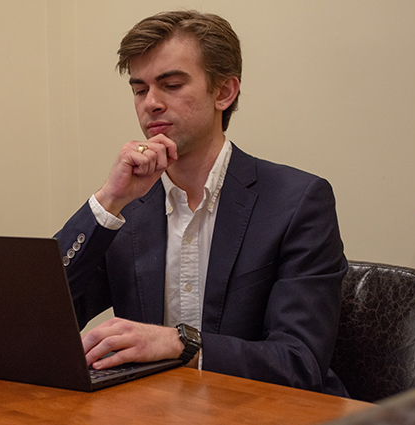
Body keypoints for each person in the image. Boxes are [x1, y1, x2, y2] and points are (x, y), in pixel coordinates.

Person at [54, 10, 349, 397]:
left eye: (171, 85)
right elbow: (40, 318)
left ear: (224, 92)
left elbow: (299, 363)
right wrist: (109, 200)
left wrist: (181, 345)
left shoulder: (297, 201)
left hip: (261, 411)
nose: (151, 104)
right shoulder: (128, 209)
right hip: (151, 411)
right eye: (140, 90)